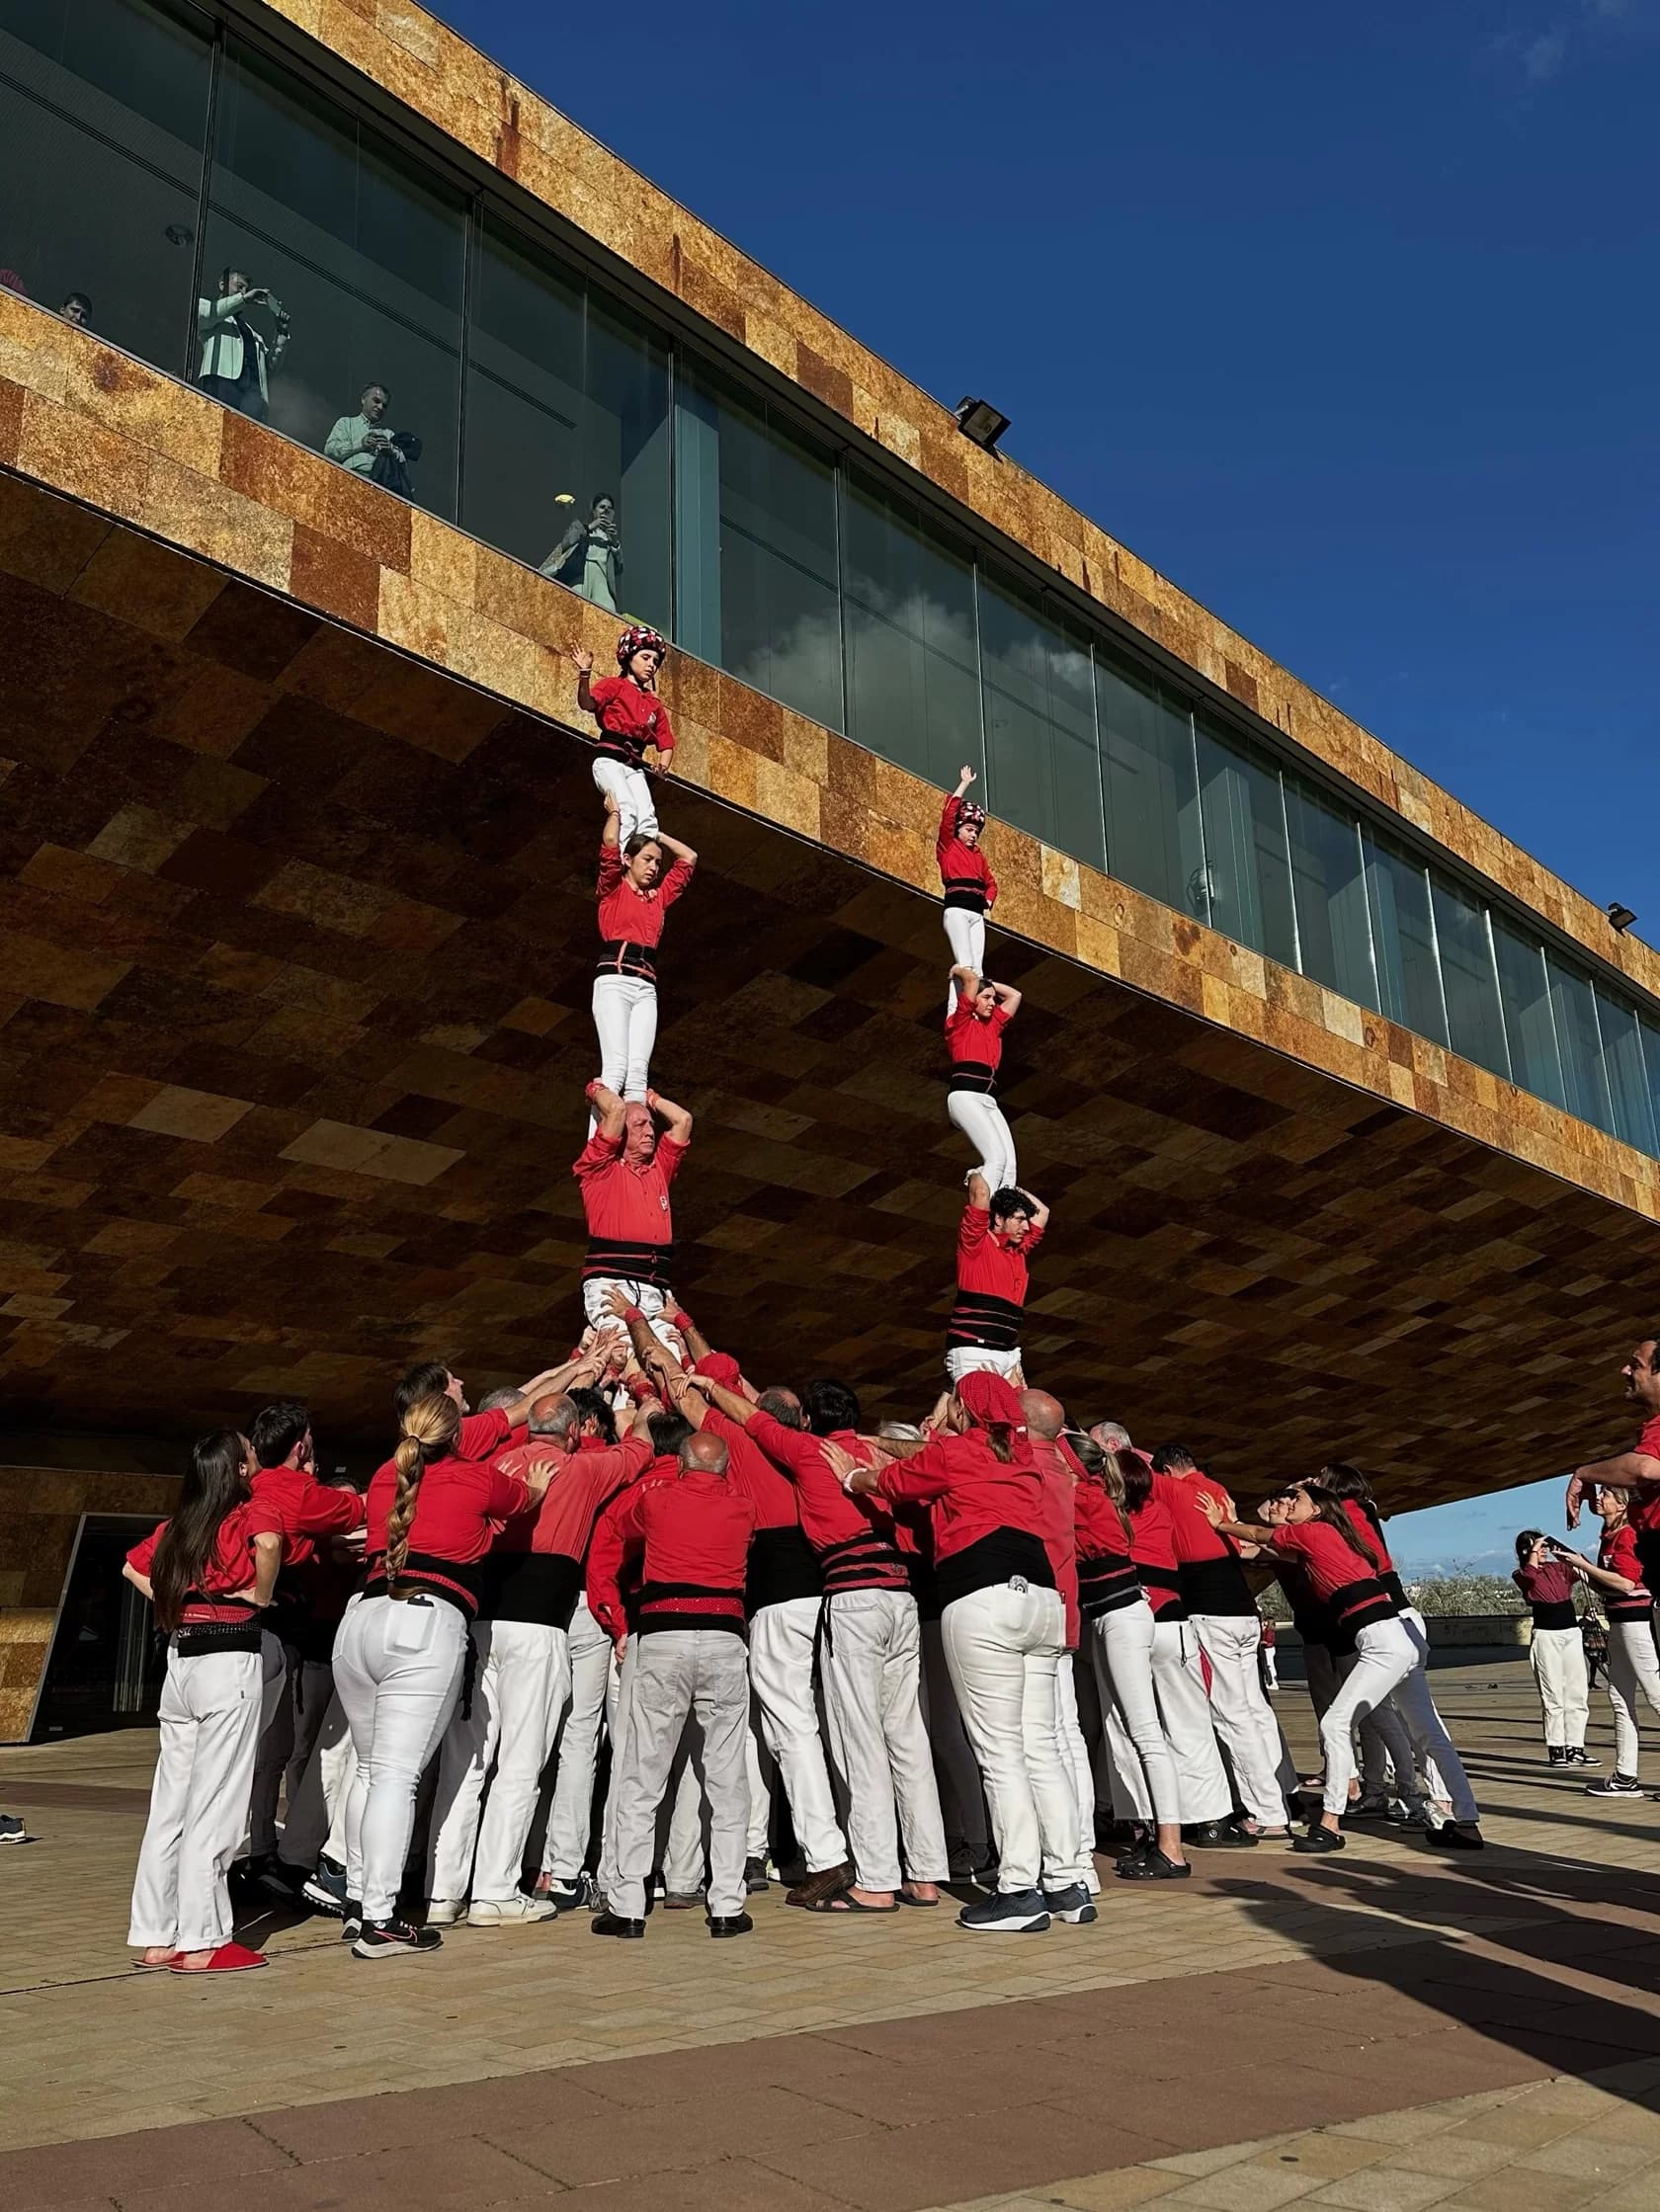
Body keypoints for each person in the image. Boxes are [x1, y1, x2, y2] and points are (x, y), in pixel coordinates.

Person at [841, 1371, 1091, 1933]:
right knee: (1042, 1749)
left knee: (999, 1751)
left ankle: (1018, 1891)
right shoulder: (1026, 1454)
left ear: (965, 1409)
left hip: (984, 1595)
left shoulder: (958, 1451)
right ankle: (1068, 1882)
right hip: (1044, 1600)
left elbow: (898, 1482)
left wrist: (855, 1475)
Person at [694, 1372, 949, 1913]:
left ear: (810, 1421)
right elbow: (930, 1453)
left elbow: (753, 1419)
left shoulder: (808, 1450)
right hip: (901, 1594)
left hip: (854, 1593)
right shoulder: (885, 1459)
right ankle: (925, 1873)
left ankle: (875, 1880)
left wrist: (707, 1385)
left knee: (860, 1740)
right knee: (907, 1737)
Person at [625, 1309, 854, 1910]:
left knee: (787, 1725)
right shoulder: (796, 1440)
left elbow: (671, 1377)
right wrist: (686, 1322)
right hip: (812, 1587)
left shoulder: (735, 1443)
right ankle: (758, 1850)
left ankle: (826, 1854)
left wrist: (636, 1320)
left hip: (775, 1593)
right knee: (779, 1725)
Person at [426, 1369, 648, 1926]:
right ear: (573, 1432)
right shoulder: (584, 1467)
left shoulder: (493, 1466)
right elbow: (641, 1450)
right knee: (522, 1762)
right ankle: (496, 1890)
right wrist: (642, 1398)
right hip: (538, 1627)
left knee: (467, 1760)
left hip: (480, 1625)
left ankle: (442, 1890)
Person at [334, 1393, 554, 1957]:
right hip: (423, 1622)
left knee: (369, 1771)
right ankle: (380, 1918)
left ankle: (360, 1903)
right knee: (394, 1777)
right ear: (457, 1437)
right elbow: (525, 1498)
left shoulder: (388, 1472)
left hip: (360, 1617)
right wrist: (538, 1480)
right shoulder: (476, 1478)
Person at [123, 1431, 283, 1974]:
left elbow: (131, 1567)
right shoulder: (249, 1512)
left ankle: (156, 1933)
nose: (256, 1457)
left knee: (170, 1805)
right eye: (250, 1453)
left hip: (182, 1661)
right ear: (238, 1470)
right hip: (227, 1659)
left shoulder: (181, 1524)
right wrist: (259, 1595)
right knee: (216, 1803)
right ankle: (203, 1938)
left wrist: (174, 1600)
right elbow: (270, 1544)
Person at [1195, 1482, 1428, 1855]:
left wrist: (1222, 1523)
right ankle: (1441, 1809)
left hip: (1379, 1637)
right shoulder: (1317, 1539)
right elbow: (1263, 1547)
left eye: (1297, 1498)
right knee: (1401, 1723)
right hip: (1380, 1636)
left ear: (1316, 1509)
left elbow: (1257, 1535)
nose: (1289, 1502)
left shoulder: (1312, 1532)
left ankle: (1339, 1820)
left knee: (1352, 1722)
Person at [587, 1431, 758, 1937]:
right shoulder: (744, 1509)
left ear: (681, 1465)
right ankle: (727, 1904)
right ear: (724, 1469)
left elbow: (616, 1530)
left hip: (663, 1638)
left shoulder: (656, 1500)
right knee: (728, 1779)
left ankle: (628, 1907)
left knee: (642, 1776)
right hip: (726, 1639)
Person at [244, 1400, 368, 1889]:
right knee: (285, 1749)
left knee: (260, 1753)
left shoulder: (250, 1489)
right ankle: (273, 1853)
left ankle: (258, 1847)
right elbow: (360, 1507)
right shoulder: (298, 1491)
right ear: (301, 1447)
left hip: (235, 1636)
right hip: (282, 1635)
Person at [1150, 1445, 1292, 1840]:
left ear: (1166, 1468)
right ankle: (1280, 1795)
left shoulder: (1170, 1488)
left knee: (1231, 1715)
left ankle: (1267, 1813)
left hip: (1210, 1613)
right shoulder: (1215, 1488)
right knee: (1254, 1709)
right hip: (1243, 1611)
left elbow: (1125, 1466)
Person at [1069, 1434, 1189, 1880]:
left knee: (1144, 1731)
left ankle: (1171, 1848)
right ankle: (1157, 1838)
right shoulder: (1096, 1495)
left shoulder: (1083, 1496)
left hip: (1120, 1615)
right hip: (1113, 1613)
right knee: (1130, 1728)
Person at [1117, 1443, 1236, 1843]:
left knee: (1129, 1726)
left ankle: (1144, 1819)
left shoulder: (1105, 1512)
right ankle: (1212, 1819)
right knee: (1190, 1724)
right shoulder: (1165, 1508)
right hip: (1171, 1617)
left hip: (1126, 1617)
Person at [592, 792, 696, 1105]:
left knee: (638, 1076)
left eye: (657, 862)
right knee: (615, 1070)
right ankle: (599, 1146)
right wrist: (614, 813)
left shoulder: (658, 898)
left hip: (645, 986)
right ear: (629, 860)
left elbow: (689, 858)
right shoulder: (612, 888)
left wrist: (657, 836)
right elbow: (610, 840)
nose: (653, 867)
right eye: (647, 860)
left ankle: (634, 1152)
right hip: (614, 980)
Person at [1554, 1497, 1660, 1798]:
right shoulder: (1609, 1536)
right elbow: (1609, 1583)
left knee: (1656, 1695)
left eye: (1607, 1494)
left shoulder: (1627, 1535)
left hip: (1635, 1621)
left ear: (1622, 1504)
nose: (1599, 1498)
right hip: (1618, 1620)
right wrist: (1581, 1569)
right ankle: (1626, 1776)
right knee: (1620, 1697)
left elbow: (1627, 1584)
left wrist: (1584, 1565)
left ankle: (1626, 1777)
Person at [573, 1080, 692, 1343]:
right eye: (640, 1125)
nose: (650, 1131)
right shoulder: (599, 1169)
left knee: (675, 1357)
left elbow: (683, 1120)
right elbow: (615, 1110)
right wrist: (595, 1090)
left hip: (655, 1285)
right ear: (621, 1134)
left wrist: (650, 1098)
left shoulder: (658, 1168)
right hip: (614, 1282)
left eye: (651, 1124)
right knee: (623, 1352)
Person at [570, 626, 676, 841]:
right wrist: (584, 674)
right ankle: (619, 863)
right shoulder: (614, 685)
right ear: (629, 657)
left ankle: (642, 866)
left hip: (634, 767)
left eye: (655, 661)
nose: (651, 665)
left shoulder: (654, 703)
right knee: (625, 807)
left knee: (648, 819)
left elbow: (666, 741)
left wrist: (663, 765)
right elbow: (587, 703)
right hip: (610, 760)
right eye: (645, 657)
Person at [948, 1173, 1047, 1384]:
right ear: (999, 1218)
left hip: (1007, 1352)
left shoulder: (1019, 1249)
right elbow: (981, 1192)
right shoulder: (975, 1243)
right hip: (975, 1349)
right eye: (1020, 1220)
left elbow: (1043, 1212)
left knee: (1026, 1413)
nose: (1027, 1227)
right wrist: (976, 1173)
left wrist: (1012, 1188)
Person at [1514, 1530, 1594, 1766]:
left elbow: (1582, 1565)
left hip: (1570, 1633)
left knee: (1577, 1691)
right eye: (1537, 1547)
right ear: (1525, 1551)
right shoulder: (1522, 1574)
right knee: (1553, 1694)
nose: (1543, 1551)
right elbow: (1528, 1577)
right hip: (1546, 1636)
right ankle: (1556, 1747)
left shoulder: (1558, 1569)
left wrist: (1560, 1548)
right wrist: (1534, 1551)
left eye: (1544, 1546)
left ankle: (1575, 1747)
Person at [944, 966, 1021, 1191]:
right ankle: (979, 1201)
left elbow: (1016, 995)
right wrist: (959, 969)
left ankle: (1002, 1217)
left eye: (994, 999)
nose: (992, 1002)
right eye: (986, 998)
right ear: (972, 1000)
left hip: (987, 1099)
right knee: (996, 1159)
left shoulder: (992, 1026)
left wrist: (989, 985)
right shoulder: (960, 1023)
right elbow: (970, 979)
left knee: (1009, 1167)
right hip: (965, 1096)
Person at [937, 766, 997, 1010]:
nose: (973, 835)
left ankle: (970, 1010)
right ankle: (955, 1011)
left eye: (976, 832)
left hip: (976, 914)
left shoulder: (978, 857)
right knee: (965, 965)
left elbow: (991, 883)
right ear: (959, 829)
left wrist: (988, 900)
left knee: (978, 969)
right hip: (957, 911)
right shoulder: (947, 846)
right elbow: (948, 814)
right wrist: (964, 784)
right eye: (970, 830)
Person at [197, 268, 288, 420]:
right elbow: (207, 314)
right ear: (222, 285)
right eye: (239, 287)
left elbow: (268, 368)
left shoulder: (254, 335)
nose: (244, 292)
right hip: (223, 382)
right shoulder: (208, 309)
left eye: (246, 289)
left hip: (252, 394)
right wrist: (243, 300)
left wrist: (281, 333)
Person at [325, 383, 419, 494]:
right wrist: (360, 445)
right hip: (347, 481)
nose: (380, 407)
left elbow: (403, 471)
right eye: (376, 401)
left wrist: (392, 450)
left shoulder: (389, 434)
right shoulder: (346, 423)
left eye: (384, 405)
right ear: (363, 399)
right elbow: (329, 451)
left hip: (380, 490)